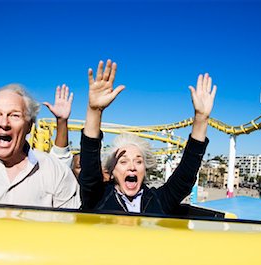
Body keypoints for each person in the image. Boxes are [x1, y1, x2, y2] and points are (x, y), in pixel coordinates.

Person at [79, 59, 216, 215]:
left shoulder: (158, 200)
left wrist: (201, 118)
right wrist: (94, 111)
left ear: (145, 169)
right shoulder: (98, 198)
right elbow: (89, 169)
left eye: (138, 161)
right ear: (112, 171)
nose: (132, 166)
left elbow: (185, 176)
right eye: (123, 162)